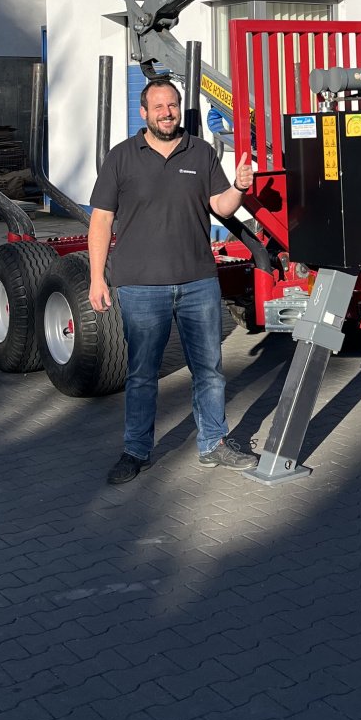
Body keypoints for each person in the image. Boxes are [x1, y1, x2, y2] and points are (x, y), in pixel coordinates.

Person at [88, 77, 258, 486]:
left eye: (173, 105)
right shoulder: (122, 157)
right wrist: (97, 278)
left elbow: (219, 205)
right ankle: (136, 450)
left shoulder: (199, 151)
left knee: (209, 370)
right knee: (143, 373)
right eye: (159, 107)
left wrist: (239, 187)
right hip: (140, 286)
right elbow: (101, 220)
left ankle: (214, 442)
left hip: (198, 281)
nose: (168, 113)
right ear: (143, 113)